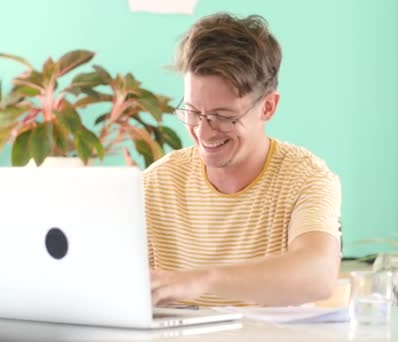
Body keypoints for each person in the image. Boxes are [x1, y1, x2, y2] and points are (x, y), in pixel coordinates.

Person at [144, 13, 341, 307]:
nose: (203, 131)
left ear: (268, 107)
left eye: (223, 117)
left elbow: (319, 275)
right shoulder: (157, 182)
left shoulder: (306, 178)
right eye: (193, 112)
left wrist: (203, 279)